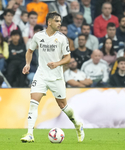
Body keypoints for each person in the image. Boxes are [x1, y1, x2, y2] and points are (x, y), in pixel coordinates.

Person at [20, 12, 84, 143]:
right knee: (33, 102)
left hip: (56, 77)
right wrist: (27, 64)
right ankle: (30, 134)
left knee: (63, 106)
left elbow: (68, 58)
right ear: (49, 22)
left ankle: (78, 124)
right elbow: (30, 51)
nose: (59, 23)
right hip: (41, 74)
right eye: (57, 21)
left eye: (60, 21)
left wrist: (57, 63)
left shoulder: (62, 38)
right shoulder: (38, 36)